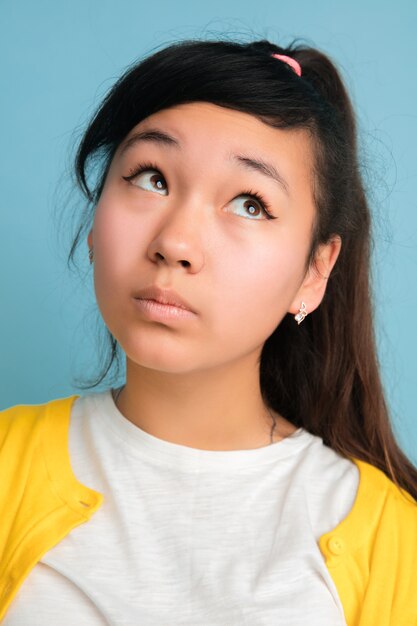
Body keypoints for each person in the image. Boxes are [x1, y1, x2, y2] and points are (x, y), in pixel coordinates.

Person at [0, 37, 416, 626]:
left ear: (314, 272)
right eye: (151, 178)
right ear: (95, 220)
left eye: (250, 203)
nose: (175, 243)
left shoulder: (390, 539)